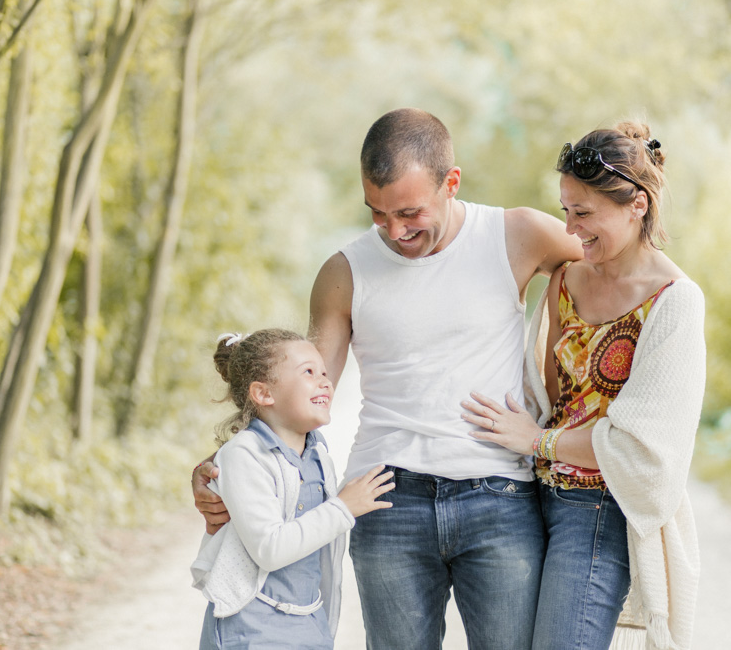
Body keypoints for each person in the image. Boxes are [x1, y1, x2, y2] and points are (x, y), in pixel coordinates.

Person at [193, 108, 585, 649]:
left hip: (499, 497)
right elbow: (299, 401)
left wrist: (574, 403)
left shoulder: (516, 234)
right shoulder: (343, 272)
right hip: (386, 501)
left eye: (409, 212)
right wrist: (228, 462)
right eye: (377, 214)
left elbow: (619, 271)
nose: (395, 231)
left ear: (452, 183)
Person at [462, 122, 706, 649]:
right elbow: (546, 397)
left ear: (637, 205)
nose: (570, 230)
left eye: (585, 213)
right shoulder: (566, 281)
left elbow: (642, 448)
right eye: (566, 210)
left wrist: (536, 441)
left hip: (596, 511)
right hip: (529, 499)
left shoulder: (673, 301)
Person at [191, 329, 395, 650]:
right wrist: (343, 508)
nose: (326, 381)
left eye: (325, 372)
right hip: (251, 628)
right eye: (309, 372)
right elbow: (270, 549)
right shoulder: (243, 454)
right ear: (264, 393)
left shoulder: (318, 455)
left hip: (308, 624)